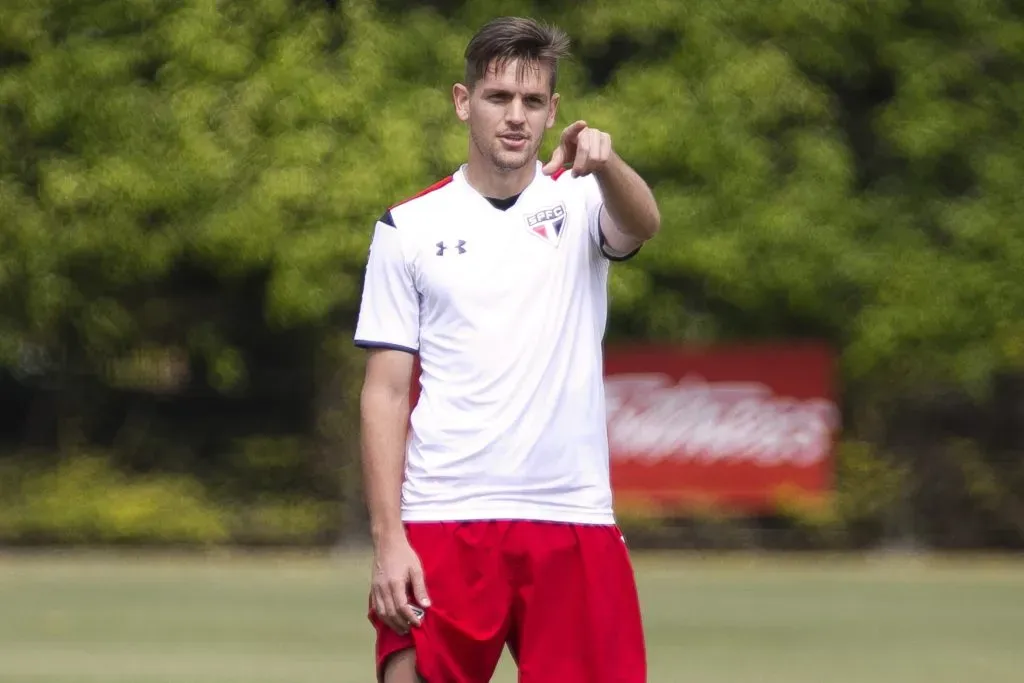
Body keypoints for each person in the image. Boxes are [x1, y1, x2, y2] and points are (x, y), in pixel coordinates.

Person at [354, 15, 660, 683]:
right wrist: (387, 539)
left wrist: (608, 162)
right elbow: (383, 392)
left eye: (531, 101)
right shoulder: (408, 228)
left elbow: (643, 224)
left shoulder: (581, 201)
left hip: (570, 511)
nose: (515, 116)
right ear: (465, 102)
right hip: (443, 514)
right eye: (498, 97)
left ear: (552, 111)